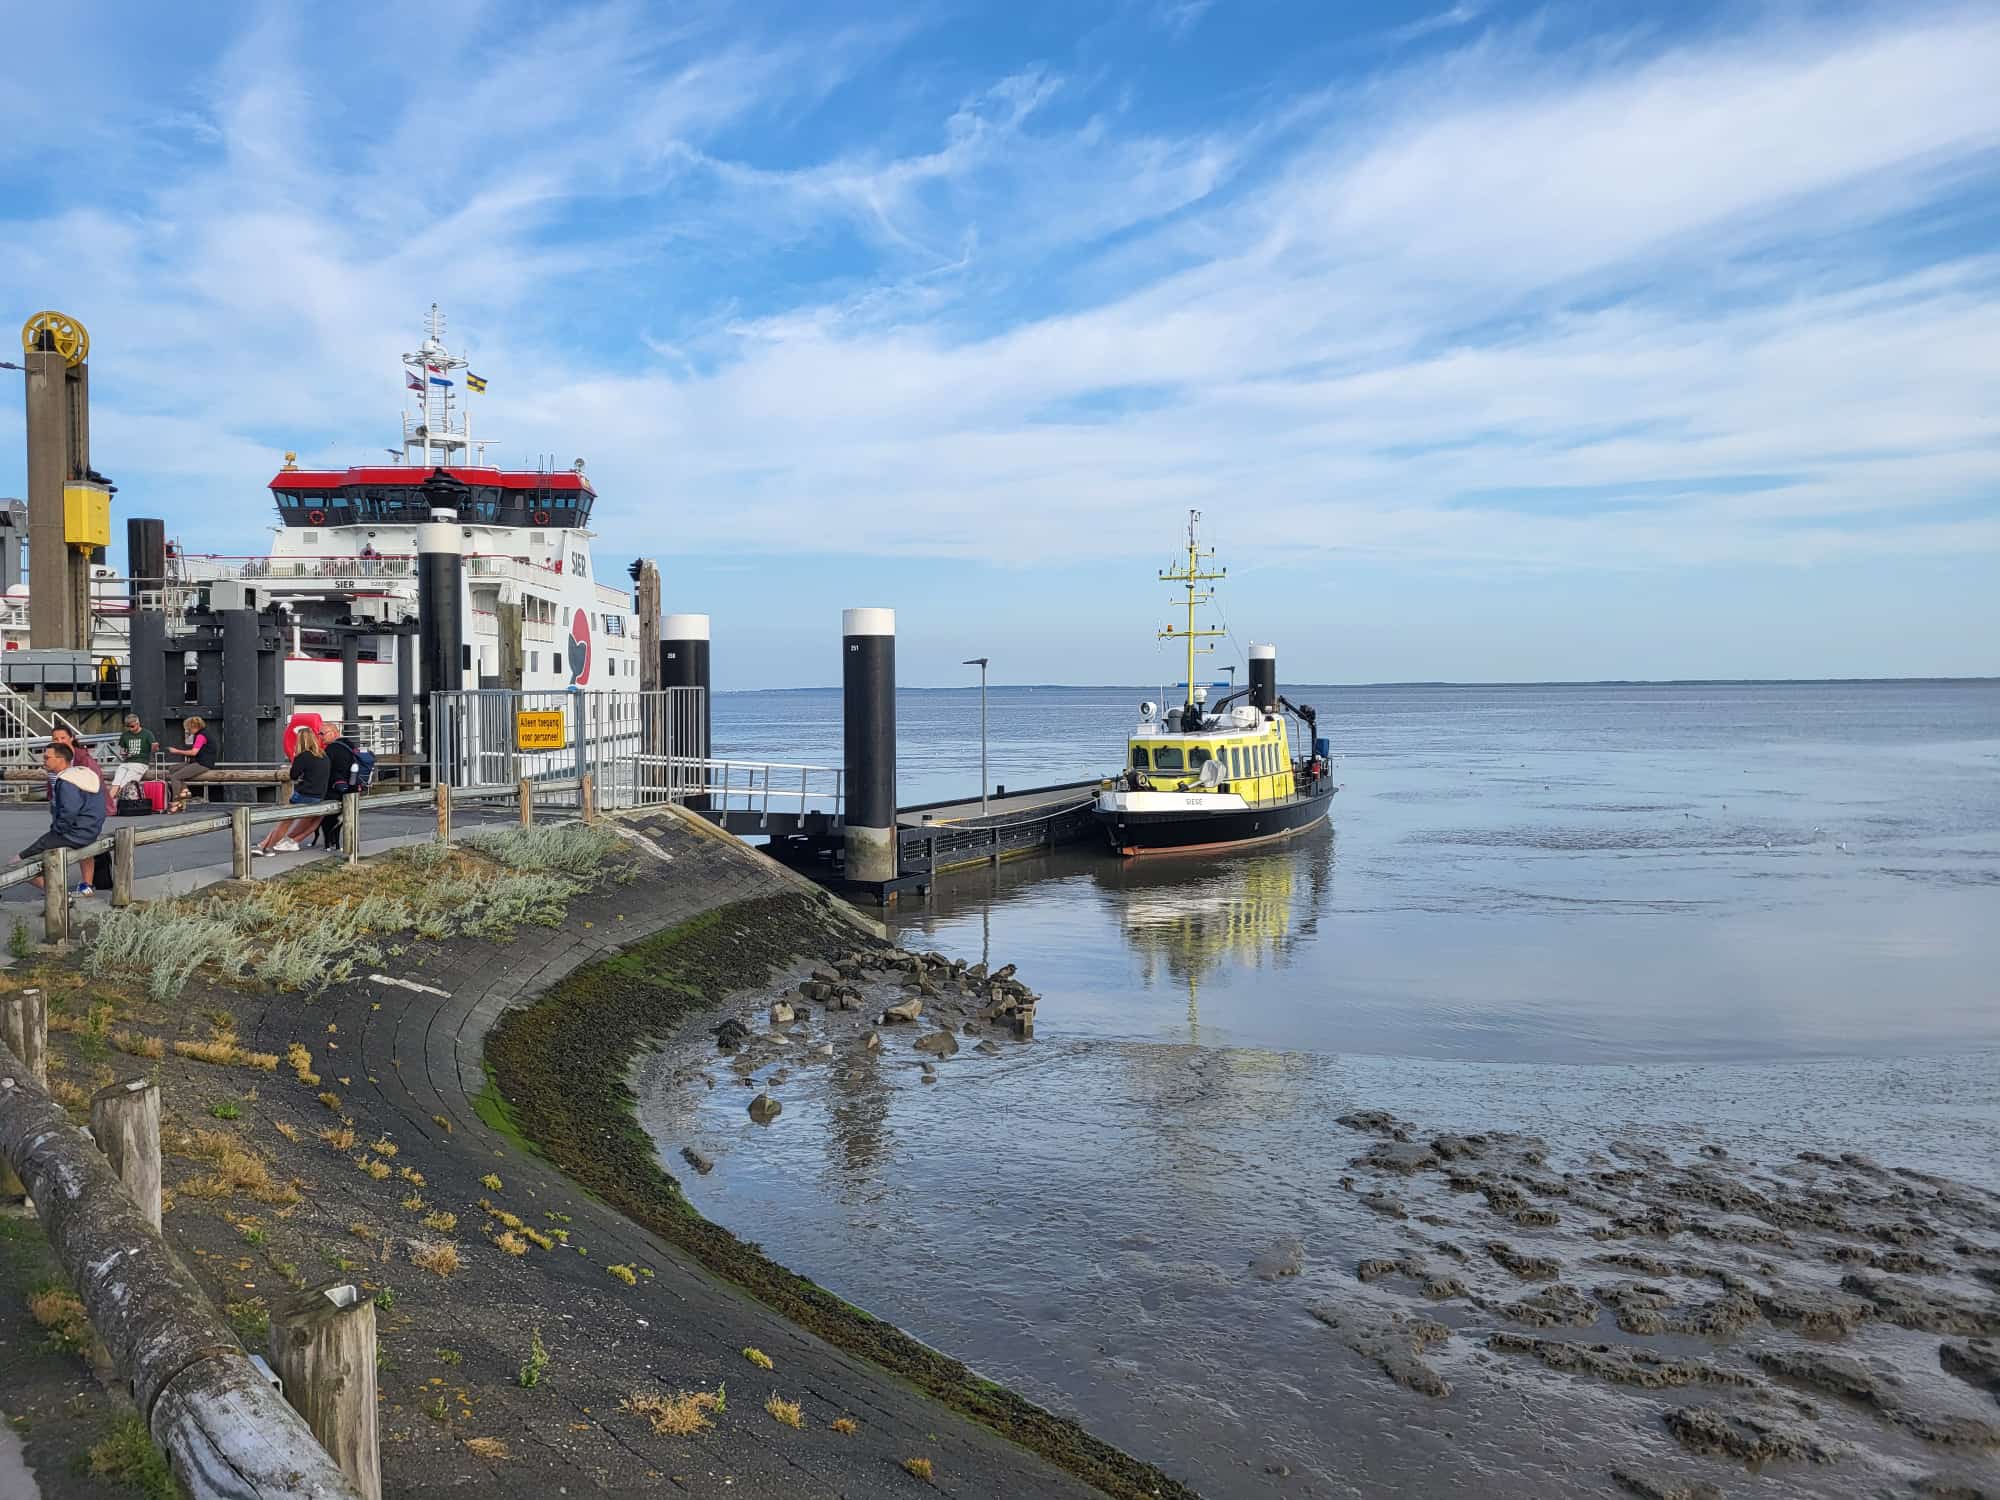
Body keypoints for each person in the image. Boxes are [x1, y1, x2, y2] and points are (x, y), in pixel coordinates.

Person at [14, 743, 106, 895]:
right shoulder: (85, 774)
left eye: (46, 757)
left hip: (71, 834)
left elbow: (70, 811)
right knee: (77, 855)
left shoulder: (67, 781)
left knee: (18, 863)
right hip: (91, 831)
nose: (43, 761)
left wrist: (57, 831)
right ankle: (84, 887)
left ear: (60, 759)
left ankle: (58, 893)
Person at [256, 726, 331, 856]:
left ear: (300, 740)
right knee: (304, 823)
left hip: (303, 794)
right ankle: (265, 844)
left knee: (284, 823)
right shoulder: (324, 756)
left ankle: (268, 847)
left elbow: (293, 775)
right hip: (318, 797)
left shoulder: (303, 756)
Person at [162, 716, 217, 812]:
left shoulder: (201, 736)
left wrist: (176, 751)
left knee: (175, 777)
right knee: (172, 768)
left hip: (203, 763)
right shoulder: (202, 734)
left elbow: (193, 752)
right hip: (198, 761)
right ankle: (185, 791)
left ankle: (176, 803)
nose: (187, 731)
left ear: (193, 727)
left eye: (188, 728)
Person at [110, 713, 158, 797]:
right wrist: (124, 753)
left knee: (126, 784)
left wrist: (154, 747)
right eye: (128, 727)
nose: (130, 729)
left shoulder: (147, 734)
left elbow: (154, 749)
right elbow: (122, 750)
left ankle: (116, 802)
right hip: (126, 762)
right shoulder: (125, 735)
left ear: (138, 723)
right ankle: (109, 804)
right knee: (116, 782)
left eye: (132, 726)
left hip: (140, 762)